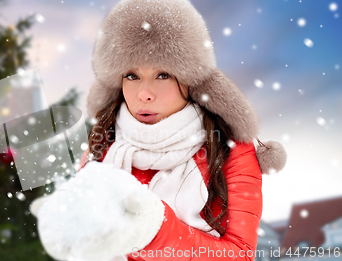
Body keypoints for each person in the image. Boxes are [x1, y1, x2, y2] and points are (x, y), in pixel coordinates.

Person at [31, 0, 287, 260]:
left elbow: (240, 254)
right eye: (132, 75)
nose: (144, 94)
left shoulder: (230, 151)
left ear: (190, 80)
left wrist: (152, 229)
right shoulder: (104, 143)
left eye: (163, 74)